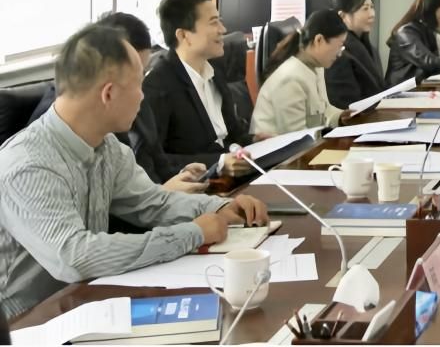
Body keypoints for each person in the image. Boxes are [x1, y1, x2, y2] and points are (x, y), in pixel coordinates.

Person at [0, 23, 269, 319]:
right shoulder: (28, 165)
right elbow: (75, 257)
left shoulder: (106, 147)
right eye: (139, 84)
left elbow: (153, 202)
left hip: (82, 300)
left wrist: (219, 207)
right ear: (108, 94)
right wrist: (192, 234)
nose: (143, 97)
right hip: (25, 322)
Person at [26, 13, 209, 193]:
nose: (141, 92)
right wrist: (164, 192)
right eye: (135, 78)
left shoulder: (112, 144)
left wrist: (180, 177)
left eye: (143, 74)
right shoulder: (42, 152)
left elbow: (153, 175)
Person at [144, 0, 254, 174]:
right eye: (213, 23)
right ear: (184, 35)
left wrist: (254, 140)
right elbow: (154, 160)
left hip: (236, 178)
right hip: (200, 186)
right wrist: (218, 164)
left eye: (220, 21)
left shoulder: (214, 70)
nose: (223, 30)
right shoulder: (158, 85)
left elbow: (231, 136)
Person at [252, 10, 352, 133]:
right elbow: (297, 137)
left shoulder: (317, 67)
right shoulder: (290, 78)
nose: (339, 53)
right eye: (339, 46)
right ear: (319, 40)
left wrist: (341, 117)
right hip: (280, 144)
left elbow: (323, 109)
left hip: (308, 140)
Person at [325, 0, 386, 109]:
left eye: (372, 7)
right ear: (343, 16)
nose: (372, 14)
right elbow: (345, 104)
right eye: (365, 9)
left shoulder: (368, 47)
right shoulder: (338, 53)